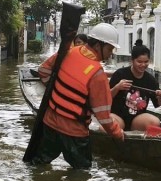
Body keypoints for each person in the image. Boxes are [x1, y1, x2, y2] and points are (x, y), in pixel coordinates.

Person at [26, 22, 125, 168]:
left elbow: (43, 71)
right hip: (74, 133)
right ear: (98, 46)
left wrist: (55, 88)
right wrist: (118, 133)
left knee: (38, 165)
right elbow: (103, 116)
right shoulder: (97, 74)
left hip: (50, 123)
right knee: (82, 175)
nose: (111, 53)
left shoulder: (70, 51)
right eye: (110, 48)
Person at [109, 43, 161, 132]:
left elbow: (160, 104)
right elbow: (105, 98)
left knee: (155, 122)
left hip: (137, 119)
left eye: (146, 62)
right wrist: (117, 87)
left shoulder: (150, 80)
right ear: (132, 60)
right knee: (109, 123)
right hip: (118, 116)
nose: (143, 65)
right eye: (139, 62)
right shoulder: (120, 74)